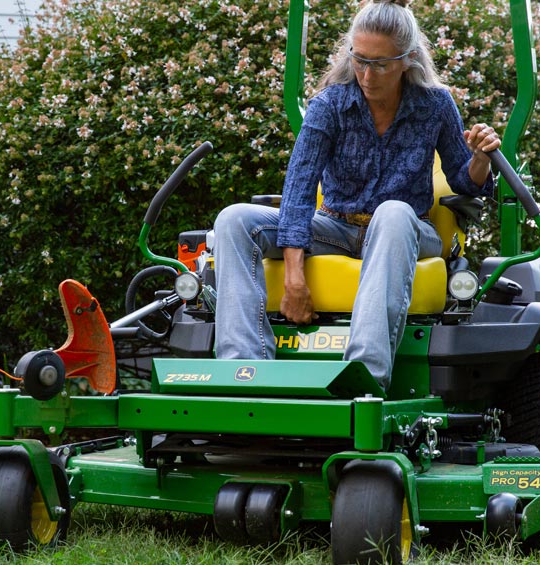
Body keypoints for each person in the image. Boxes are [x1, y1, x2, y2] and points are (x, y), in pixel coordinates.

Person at [212, 0, 500, 389]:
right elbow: (297, 191)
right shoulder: (329, 104)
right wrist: (295, 281)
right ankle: (243, 373)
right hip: (335, 227)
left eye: (380, 64)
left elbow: (464, 181)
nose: (366, 74)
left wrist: (481, 158)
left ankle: (363, 380)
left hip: (407, 231)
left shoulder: (435, 105)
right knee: (233, 219)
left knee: (394, 212)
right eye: (359, 59)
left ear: (408, 59)